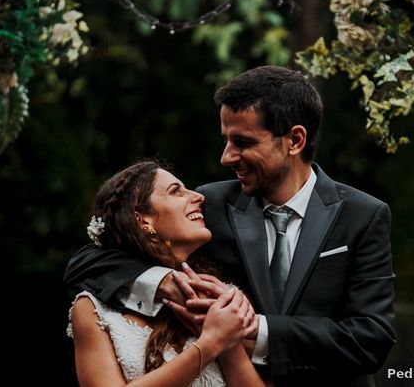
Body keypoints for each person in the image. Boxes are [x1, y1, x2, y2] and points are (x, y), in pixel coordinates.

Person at [65, 66, 396, 386]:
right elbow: (90, 260)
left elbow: (371, 339)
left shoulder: (363, 215)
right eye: (226, 140)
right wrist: (165, 281)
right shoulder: (211, 206)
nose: (226, 157)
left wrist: (252, 329)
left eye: (243, 142)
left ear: (294, 140)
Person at [68, 160, 266, 387]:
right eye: (176, 191)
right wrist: (211, 344)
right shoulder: (93, 310)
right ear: (143, 220)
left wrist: (230, 343)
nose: (199, 197)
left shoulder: (225, 297)